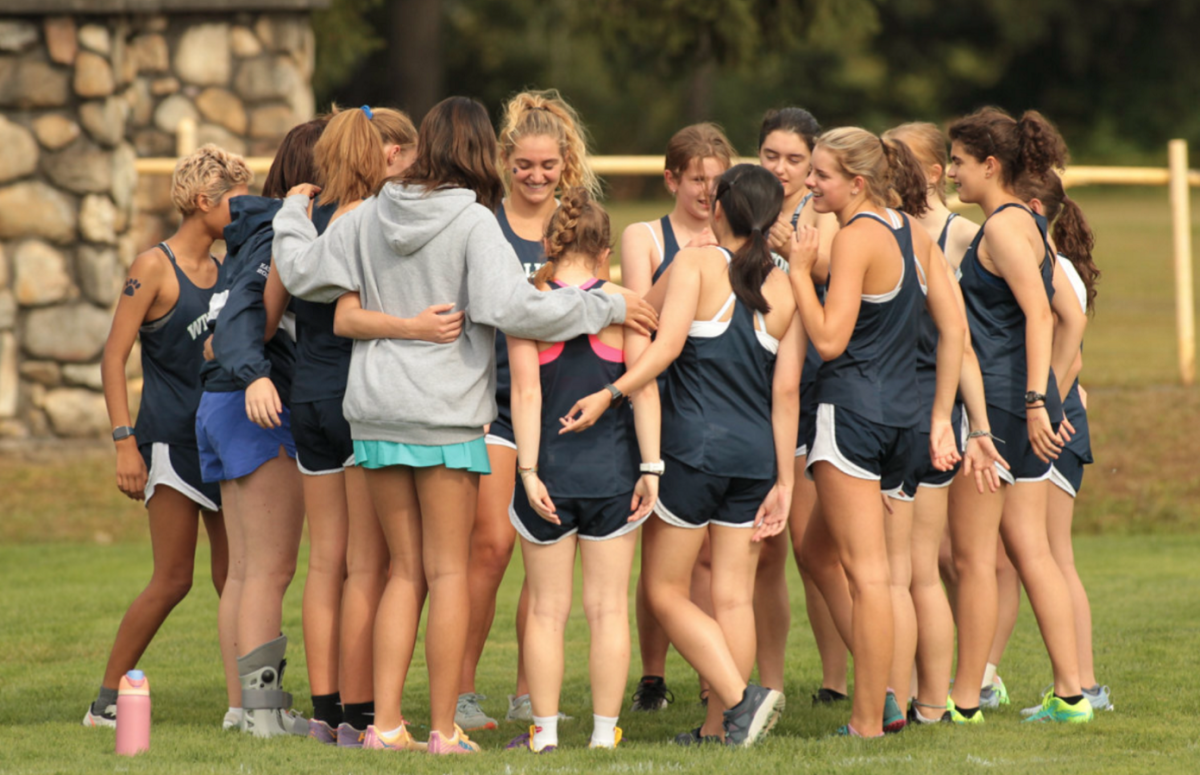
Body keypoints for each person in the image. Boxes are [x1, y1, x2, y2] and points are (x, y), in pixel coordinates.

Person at [272, 96, 657, 755]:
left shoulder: (366, 213)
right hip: (446, 415)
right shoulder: (475, 223)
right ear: (484, 153)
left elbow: (303, 272)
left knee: (401, 569)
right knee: (447, 573)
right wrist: (604, 304)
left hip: (373, 410)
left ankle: (385, 725)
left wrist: (287, 211)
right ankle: (444, 730)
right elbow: (518, 311)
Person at [562, 163, 802, 747]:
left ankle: (741, 701)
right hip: (754, 461)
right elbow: (787, 391)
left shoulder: (696, 263)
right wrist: (785, 481)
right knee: (732, 597)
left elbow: (659, 339)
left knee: (663, 592)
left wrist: (610, 392)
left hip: (694, 452)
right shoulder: (787, 284)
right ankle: (723, 729)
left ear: (719, 206)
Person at [789, 127, 965, 737]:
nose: (810, 183)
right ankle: (889, 695)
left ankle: (869, 718)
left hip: (853, 417)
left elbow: (830, 339)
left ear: (857, 182)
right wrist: (941, 414)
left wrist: (798, 273)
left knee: (868, 577)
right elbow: (955, 328)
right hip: (906, 424)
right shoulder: (910, 230)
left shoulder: (858, 238)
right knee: (819, 553)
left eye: (821, 175)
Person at [268, 105, 428, 745]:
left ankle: (324, 708)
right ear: (382, 154)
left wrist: (288, 214)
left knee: (325, 561)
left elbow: (278, 299)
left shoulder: (310, 219)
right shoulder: (369, 218)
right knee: (368, 564)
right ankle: (360, 712)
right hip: (355, 399)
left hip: (308, 396)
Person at [87, 145, 250, 730]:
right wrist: (123, 442)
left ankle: (252, 701)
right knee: (173, 578)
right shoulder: (152, 266)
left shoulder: (233, 265)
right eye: (237, 199)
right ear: (204, 202)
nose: (246, 208)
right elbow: (112, 359)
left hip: (227, 441)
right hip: (168, 442)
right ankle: (105, 699)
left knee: (239, 578)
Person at [457, 88, 600, 731]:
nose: (537, 176)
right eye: (525, 166)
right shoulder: (482, 222)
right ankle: (461, 692)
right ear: (505, 163)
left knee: (549, 563)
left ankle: (526, 692)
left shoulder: (579, 222)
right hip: (493, 407)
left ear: (565, 162)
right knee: (489, 548)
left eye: (548, 166)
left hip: (559, 411)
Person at [944, 107, 1091, 724]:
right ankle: (1070, 695)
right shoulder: (1027, 224)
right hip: (1023, 402)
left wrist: (1036, 400)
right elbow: (1069, 313)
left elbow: (1042, 315)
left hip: (1003, 406)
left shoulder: (1005, 227)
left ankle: (963, 700)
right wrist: (1050, 396)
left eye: (956, 161)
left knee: (975, 557)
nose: (951, 172)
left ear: (989, 164)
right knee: (1031, 550)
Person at [503, 189, 660, 752]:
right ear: (605, 250)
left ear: (550, 242)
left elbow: (523, 392)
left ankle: (542, 735)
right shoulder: (626, 301)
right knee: (608, 609)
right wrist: (652, 469)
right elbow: (644, 392)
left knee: (546, 610)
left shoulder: (526, 300)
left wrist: (526, 474)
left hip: (548, 475)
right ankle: (603, 735)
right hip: (613, 476)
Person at [194, 122, 327, 738]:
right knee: (269, 571)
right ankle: (265, 714)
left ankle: (242, 708)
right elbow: (250, 322)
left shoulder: (252, 230)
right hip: (255, 402)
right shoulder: (281, 232)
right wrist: (253, 374)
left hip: (218, 407)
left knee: (245, 571)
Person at [618, 122, 735, 712]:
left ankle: (720, 680)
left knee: (714, 559)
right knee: (661, 554)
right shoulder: (646, 235)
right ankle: (654, 676)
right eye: (696, 180)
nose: (708, 192)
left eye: (718, 181)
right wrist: (689, 266)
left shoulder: (737, 238)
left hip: (722, 408)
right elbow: (640, 316)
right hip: (661, 405)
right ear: (672, 179)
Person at [756, 106, 849, 702]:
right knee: (762, 554)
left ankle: (840, 681)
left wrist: (795, 256)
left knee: (813, 550)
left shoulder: (822, 214)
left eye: (795, 159)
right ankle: (765, 685)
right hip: (749, 388)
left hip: (811, 387)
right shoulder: (745, 202)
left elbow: (836, 284)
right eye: (771, 156)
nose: (784, 169)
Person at [1010, 171, 1111, 714]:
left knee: (1051, 555)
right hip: (1060, 414)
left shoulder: (1052, 267)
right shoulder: (1050, 262)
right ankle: (1083, 685)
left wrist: (1046, 405)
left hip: (1057, 421)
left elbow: (1068, 350)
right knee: (1050, 553)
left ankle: (1083, 686)